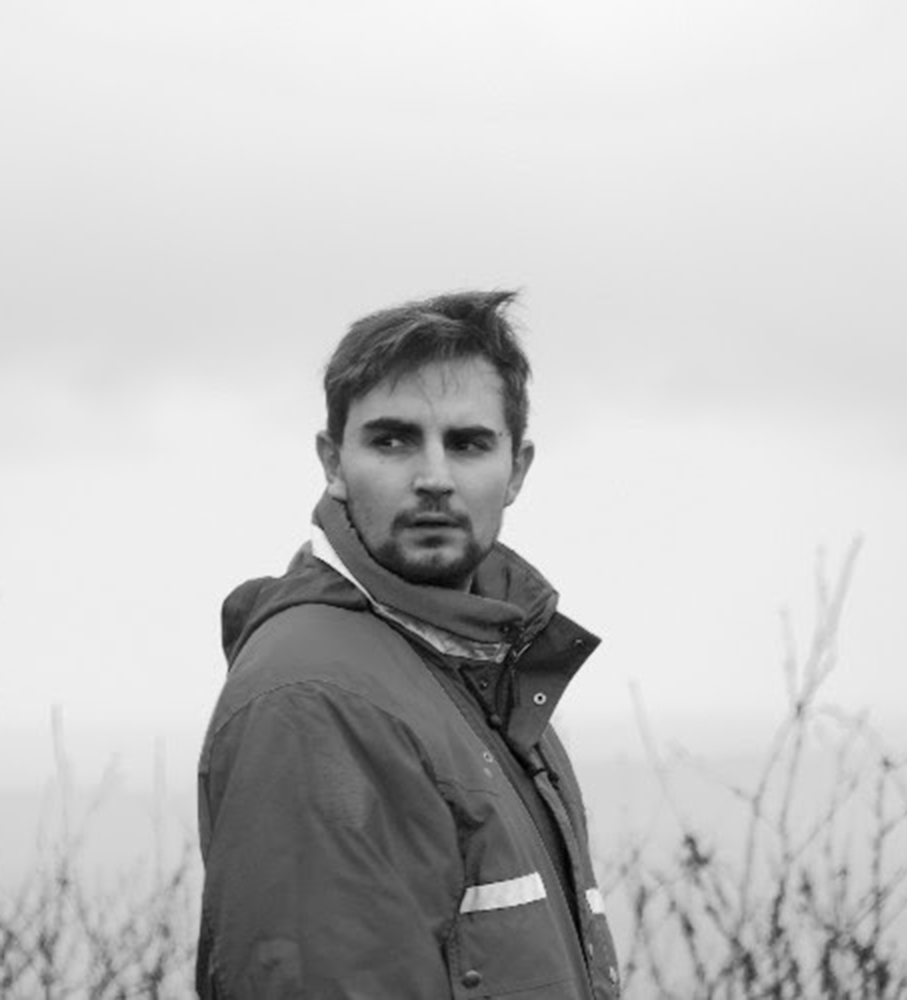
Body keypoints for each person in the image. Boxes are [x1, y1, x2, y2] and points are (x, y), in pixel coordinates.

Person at [196, 290, 620, 999]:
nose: (433, 479)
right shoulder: (313, 701)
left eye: (467, 443)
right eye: (391, 441)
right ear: (333, 461)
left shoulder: (483, 665)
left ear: (517, 469)